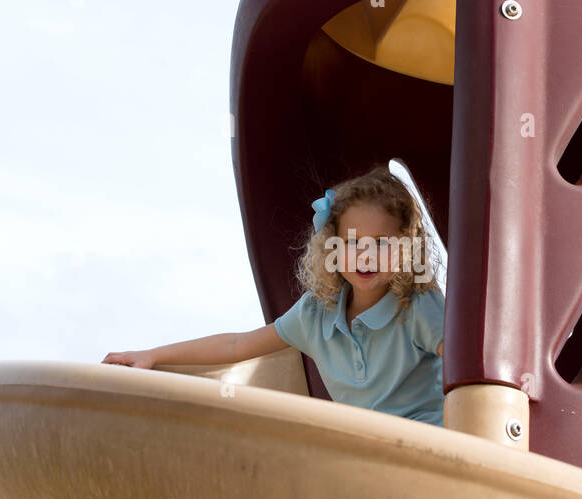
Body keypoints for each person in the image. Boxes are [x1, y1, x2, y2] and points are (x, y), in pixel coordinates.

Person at [102, 164, 446, 427]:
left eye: (382, 243)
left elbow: (464, 360)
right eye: (354, 242)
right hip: (366, 450)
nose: (366, 255)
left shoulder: (416, 305)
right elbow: (237, 345)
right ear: (334, 247)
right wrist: (151, 355)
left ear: (405, 248)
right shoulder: (316, 313)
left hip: (428, 446)